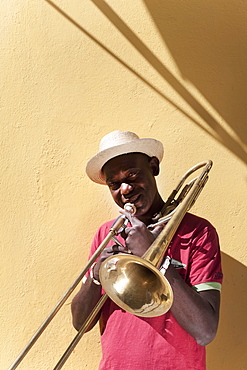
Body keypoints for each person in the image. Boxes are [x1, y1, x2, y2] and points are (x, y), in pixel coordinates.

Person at [71, 130, 223, 370]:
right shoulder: (106, 235)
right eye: (114, 184)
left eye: (132, 175)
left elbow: (205, 331)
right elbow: (80, 323)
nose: (125, 189)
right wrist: (96, 276)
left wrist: (156, 257)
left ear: (153, 167)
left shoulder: (199, 232)